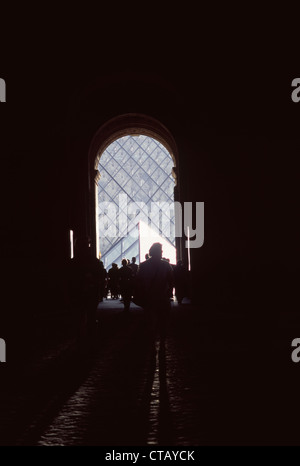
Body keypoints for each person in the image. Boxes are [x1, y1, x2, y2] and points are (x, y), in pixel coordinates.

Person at [135, 243, 173, 346]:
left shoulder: (143, 265)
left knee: (151, 321)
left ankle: (152, 341)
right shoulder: (166, 265)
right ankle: (162, 341)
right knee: (163, 321)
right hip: (162, 297)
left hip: (149, 298)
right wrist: (169, 291)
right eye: (161, 251)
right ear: (158, 252)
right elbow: (171, 280)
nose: (162, 252)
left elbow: (139, 282)